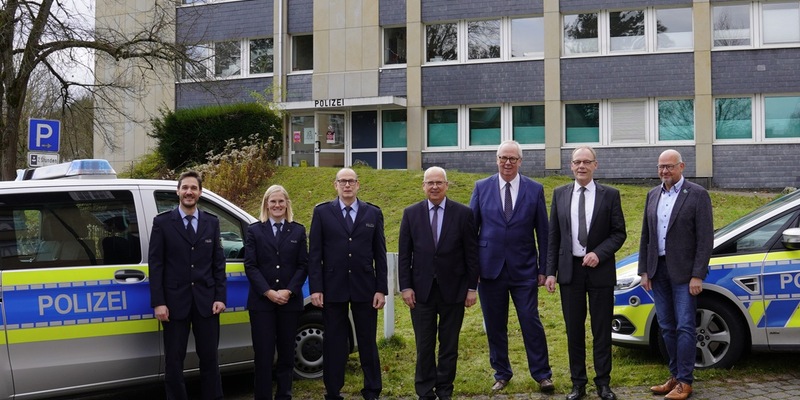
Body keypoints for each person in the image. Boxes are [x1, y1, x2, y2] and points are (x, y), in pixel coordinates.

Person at [469, 139, 555, 393]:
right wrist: (472, 272)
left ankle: (542, 374)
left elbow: (544, 231)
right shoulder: (481, 187)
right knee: (495, 324)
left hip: (524, 269)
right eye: (503, 158)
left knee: (530, 321)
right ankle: (502, 373)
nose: (507, 163)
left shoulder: (534, 188)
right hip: (489, 270)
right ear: (496, 160)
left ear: (520, 161)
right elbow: (470, 231)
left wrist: (543, 268)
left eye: (513, 159)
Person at [544, 146, 626, 400]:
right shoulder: (560, 194)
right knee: (574, 330)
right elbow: (553, 237)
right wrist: (550, 273)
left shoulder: (610, 195)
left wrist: (599, 253)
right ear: (570, 166)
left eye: (586, 162)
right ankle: (577, 383)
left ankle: (603, 383)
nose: (581, 166)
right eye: (577, 162)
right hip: (570, 273)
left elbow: (618, 233)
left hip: (599, 271)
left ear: (595, 165)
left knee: (601, 329)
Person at [398, 166, 480, 400]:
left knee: (449, 345)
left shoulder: (463, 214)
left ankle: (445, 389)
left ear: (446, 185)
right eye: (430, 183)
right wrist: (405, 287)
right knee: (424, 345)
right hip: (421, 292)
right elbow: (405, 255)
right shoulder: (411, 214)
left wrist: (472, 288)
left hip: (453, 290)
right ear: (423, 186)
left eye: (439, 182)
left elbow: (471, 254)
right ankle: (425, 391)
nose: (434, 187)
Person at [639, 149, 713, 400]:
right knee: (667, 327)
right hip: (657, 271)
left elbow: (705, 239)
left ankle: (685, 381)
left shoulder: (697, 194)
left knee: (684, 327)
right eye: (660, 167)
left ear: (681, 167)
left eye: (669, 167)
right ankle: (674, 375)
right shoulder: (652, 194)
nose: (664, 171)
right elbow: (646, 236)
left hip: (684, 274)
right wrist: (644, 271)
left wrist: (697, 275)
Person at [308, 168, 388, 400]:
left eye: (351, 181)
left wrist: (381, 289)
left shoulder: (372, 213)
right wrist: (316, 288)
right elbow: (315, 254)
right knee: (334, 341)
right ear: (335, 185)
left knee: (367, 340)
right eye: (342, 182)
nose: (347, 186)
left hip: (365, 287)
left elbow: (380, 254)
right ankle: (333, 391)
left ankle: (372, 390)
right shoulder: (323, 213)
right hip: (333, 287)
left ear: (358, 185)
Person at [149, 171, 227, 400]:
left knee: (210, 359)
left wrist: (220, 297)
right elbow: (156, 265)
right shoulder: (162, 223)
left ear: (200, 192)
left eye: (194, 188)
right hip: (174, 304)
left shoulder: (211, 223)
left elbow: (218, 264)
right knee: (174, 361)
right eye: (185, 188)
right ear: (178, 191)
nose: (189, 192)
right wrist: (159, 303)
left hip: (207, 303)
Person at [244, 185, 308, 400]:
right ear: (266, 204)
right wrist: (268, 292)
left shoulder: (298, 231)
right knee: (263, 356)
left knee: (287, 356)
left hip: (289, 304)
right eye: (273, 202)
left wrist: (289, 290)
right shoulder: (254, 230)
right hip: (262, 304)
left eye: (281, 201)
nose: (277, 205)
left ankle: (284, 395)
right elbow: (251, 266)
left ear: (287, 204)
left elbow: (303, 265)